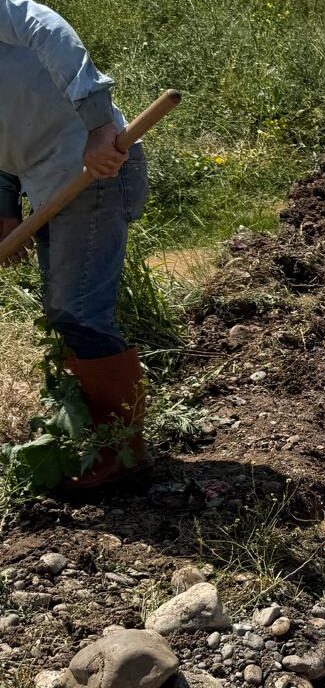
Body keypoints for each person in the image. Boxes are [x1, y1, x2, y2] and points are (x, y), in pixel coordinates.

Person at [1, 0, 150, 488]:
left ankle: (122, 453)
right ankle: (96, 437)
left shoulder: (10, 16)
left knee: (78, 311)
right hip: (44, 186)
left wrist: (98, 124)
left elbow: (44, 24)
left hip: (95, 167)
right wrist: (4, 212)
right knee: (67, 314)